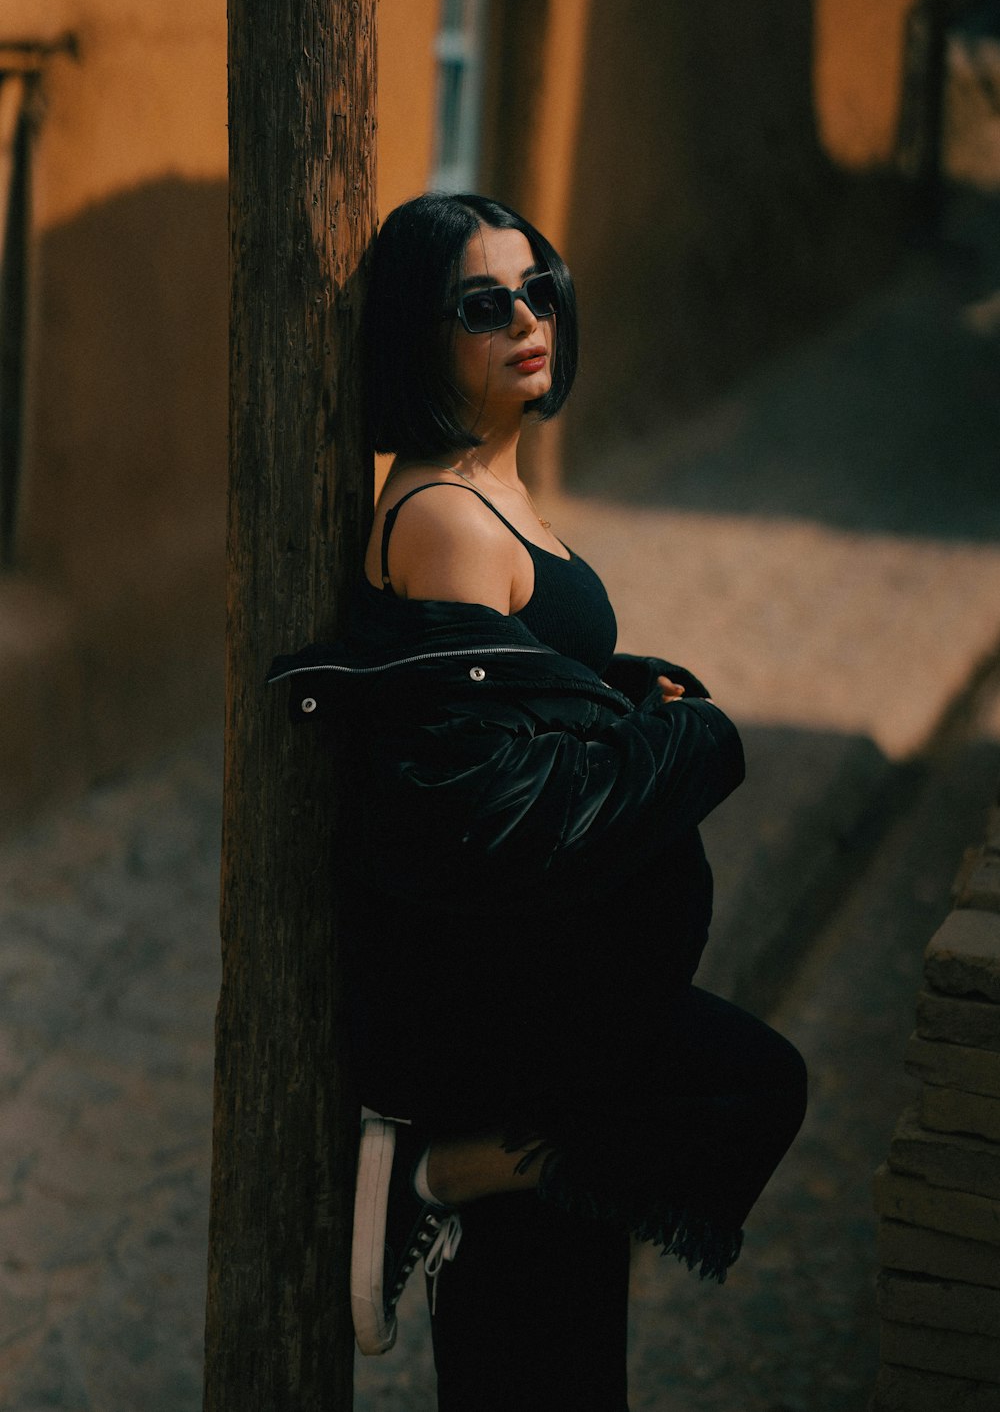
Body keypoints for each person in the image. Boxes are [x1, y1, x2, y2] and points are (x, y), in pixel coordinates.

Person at [268, 193, 807, 1411]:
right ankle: (447, 1173)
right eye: (483, 303)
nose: (527, 317)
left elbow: (502, 698)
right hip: (510, 1013)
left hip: (558, 1004)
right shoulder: (449, 519)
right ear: (423, 336)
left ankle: (464, 1177)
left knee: (563, 1322)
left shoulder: (487, 490)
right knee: (735, 1095)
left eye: (539, 287)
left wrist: (611, 689)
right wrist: (688, 743)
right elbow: (493, 814)